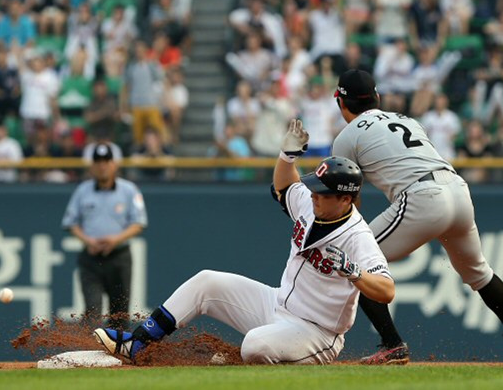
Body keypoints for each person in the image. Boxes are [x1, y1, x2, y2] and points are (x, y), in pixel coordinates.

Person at [93, 121, 395, 364]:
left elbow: (386, 290)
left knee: (254, 345)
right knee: (206, 282)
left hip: (317, 332)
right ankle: (138, 343)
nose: (314, 195)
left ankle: (251, 359)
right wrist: (286, 157)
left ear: (345, 199)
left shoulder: (358, 236)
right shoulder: (311, 205)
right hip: (277, 304)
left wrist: (355, 272)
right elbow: (285, 185)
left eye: (323, 193)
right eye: (314, 189)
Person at [329, 69, 503, 366]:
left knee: (357, 262)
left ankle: (392, 345)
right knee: (479, 273)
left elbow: (350, 201)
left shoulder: (347, 136)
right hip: (457, 190)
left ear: (341, 103)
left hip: (422, 197)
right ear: (377, 97)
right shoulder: (407, 120)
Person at [62, 143, 148, 329]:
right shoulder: (83, 191)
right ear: (92, 166)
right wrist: (88, 240)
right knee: (92, 311)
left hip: (119, 258)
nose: (102, 166)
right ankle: (91, 356)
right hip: (91, 259)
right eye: (98, 161)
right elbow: (70, 223)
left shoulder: (129, 190)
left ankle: (120, 356)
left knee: (120, 314)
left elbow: (139, 223)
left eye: (106, 161)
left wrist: (115, 239)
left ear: (114, 164)